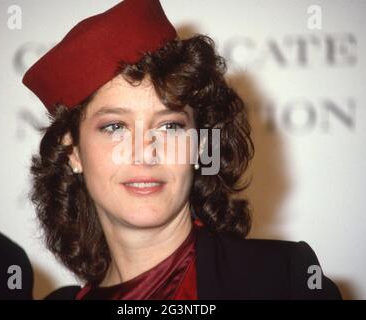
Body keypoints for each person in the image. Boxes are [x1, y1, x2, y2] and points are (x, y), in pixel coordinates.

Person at [22, 0, 341, 300]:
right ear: (73, 151)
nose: (146, 153)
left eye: (170, 126)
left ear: (200, 144)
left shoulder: (281, 281)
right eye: (115, 127)